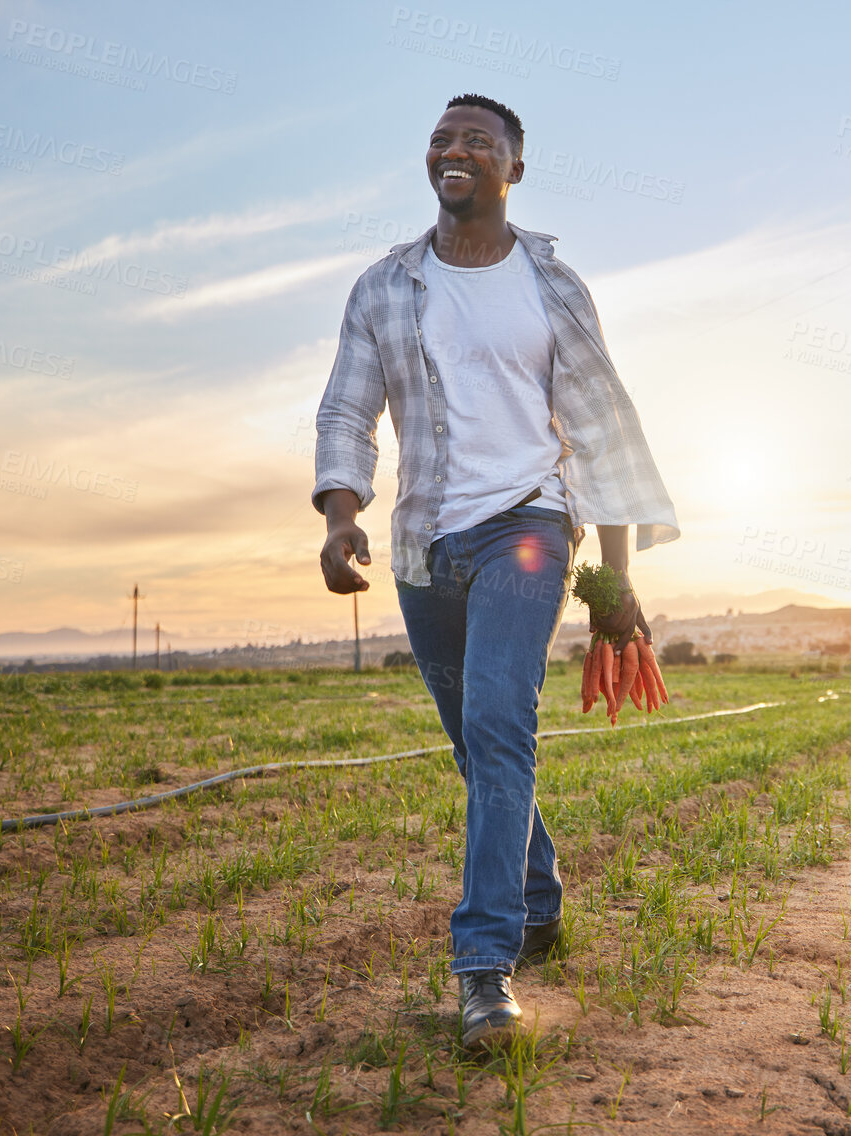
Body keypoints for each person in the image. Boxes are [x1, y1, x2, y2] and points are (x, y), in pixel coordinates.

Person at [311, 93, 678, 1049]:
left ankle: (483, 967)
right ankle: (540, 894)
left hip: (529, 526)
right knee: (481, 746)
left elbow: (602, 431)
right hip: (426, 544)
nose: (455, 148)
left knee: (498, 722)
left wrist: (613, 586)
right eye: (442, 137)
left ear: (515, 167)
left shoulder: (553, 286)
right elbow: (347, 411)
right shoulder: (384, 286)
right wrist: (342, 514)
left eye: (478, 138)